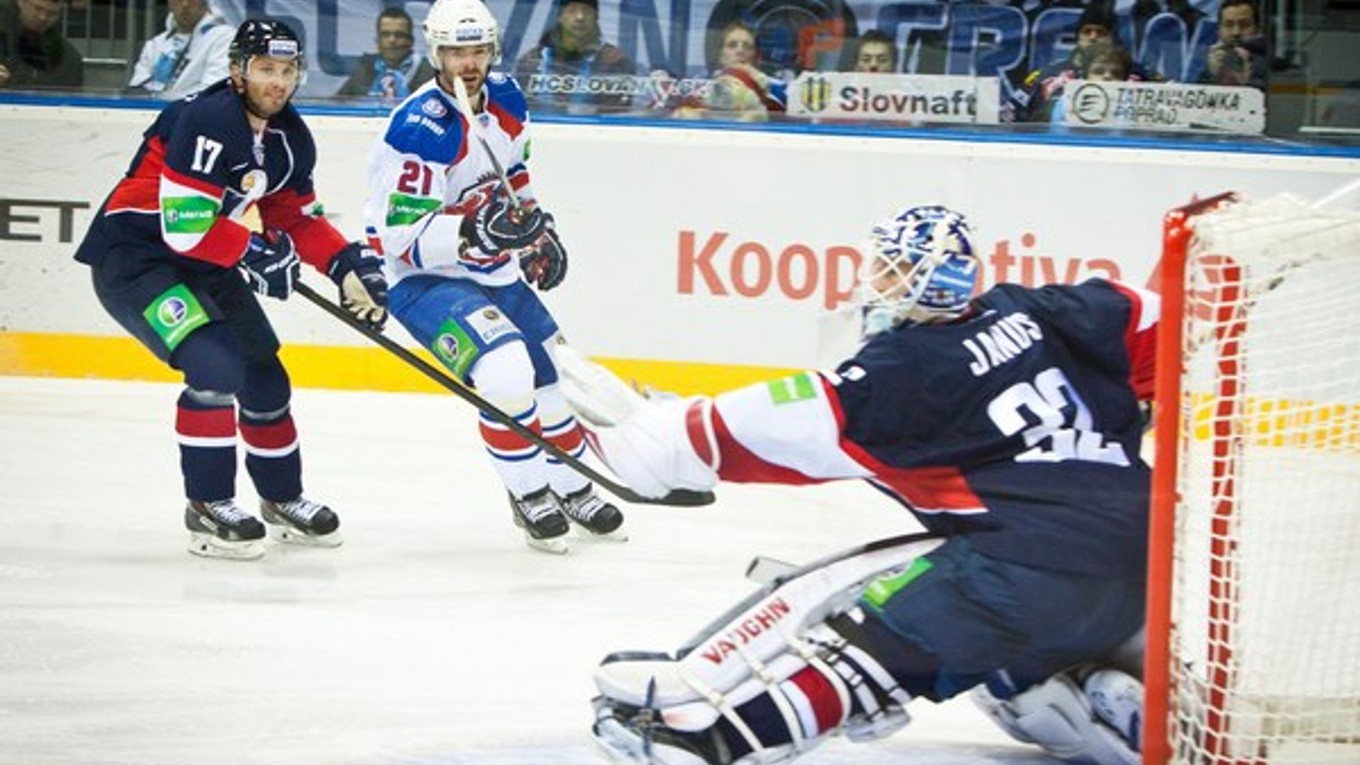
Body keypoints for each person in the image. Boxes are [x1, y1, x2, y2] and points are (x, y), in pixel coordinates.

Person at [568, 204, 1156, 765]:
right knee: (1011, 687)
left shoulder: (904, 370)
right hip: (1151, 561)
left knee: (876, 632)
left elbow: (776, 425)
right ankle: (1099, 694)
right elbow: (1150, 315)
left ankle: (714, 740)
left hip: (1024, 565)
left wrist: (654, 439)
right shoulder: (1042, 311)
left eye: (890, 267)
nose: (875, 279)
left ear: (923, 277)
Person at [72, 19, 389, 561]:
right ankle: (208, 505)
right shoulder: (206, 119)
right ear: (238, 71)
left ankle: (282, 499)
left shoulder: (290, 137)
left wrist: (343, 265)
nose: (278, 82)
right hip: (136, 261)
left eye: (287, 71)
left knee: (265, 377)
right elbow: (186, 227)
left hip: (204, 259)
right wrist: (253, 252)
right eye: (266, 69)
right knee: (216, 367)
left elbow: (292, 219)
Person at [363, 0, 625, 553]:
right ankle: (529, 492)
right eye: (456, 51)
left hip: (493, 271)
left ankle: (572, 486)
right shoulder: (420, 126)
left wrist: (535, 231)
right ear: (436, 52)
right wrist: (477, 230)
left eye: (478, 49)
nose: (468, 62)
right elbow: (397, 236)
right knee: (505, 374)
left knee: (551, 373)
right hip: (424, 280)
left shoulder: (505, 96)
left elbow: (515, 173)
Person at [1004, 0, 1124, 123]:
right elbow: (1010, 116)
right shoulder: (1045, 75)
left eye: (1101, 32)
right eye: (1087, 31)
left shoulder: (1130, 75)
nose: (1093, 37)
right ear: (1078, 36)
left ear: (1112, 37)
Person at [512, 0, 635, 115]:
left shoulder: (615, 61)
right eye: (572, 10)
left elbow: (614, 119)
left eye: (586, 11)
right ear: (560, 16)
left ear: (596, 17)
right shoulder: (532, 60)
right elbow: (521, 114)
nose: (580, 17)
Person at [126, 0, 233, 100]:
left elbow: (213, 91)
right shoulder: (156, 44)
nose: (185, 4)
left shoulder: (224, 37)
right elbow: (137, 89)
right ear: (170, 3)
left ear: (204, 2)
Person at [334, 5, 435, 100]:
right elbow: (338, 103)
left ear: (411, 41)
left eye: (399, 35)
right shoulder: (365, 68)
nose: (392, 40)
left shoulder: (429, 72)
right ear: (377, 41)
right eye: (385, 34)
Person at [0, 0, 83, 89]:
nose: (42, 17)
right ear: (21, 2)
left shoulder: (69, 60)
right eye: (38, 8)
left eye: (52, 13)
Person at [1198, 0, 1267, 90]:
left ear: (1258, 29)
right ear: (1218, 30)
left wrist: (1246, 81)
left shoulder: (1270, 65)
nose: (1236, 32)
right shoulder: (1211, 61)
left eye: (1244, 25)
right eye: (1229, 25)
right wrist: (1213, 75)